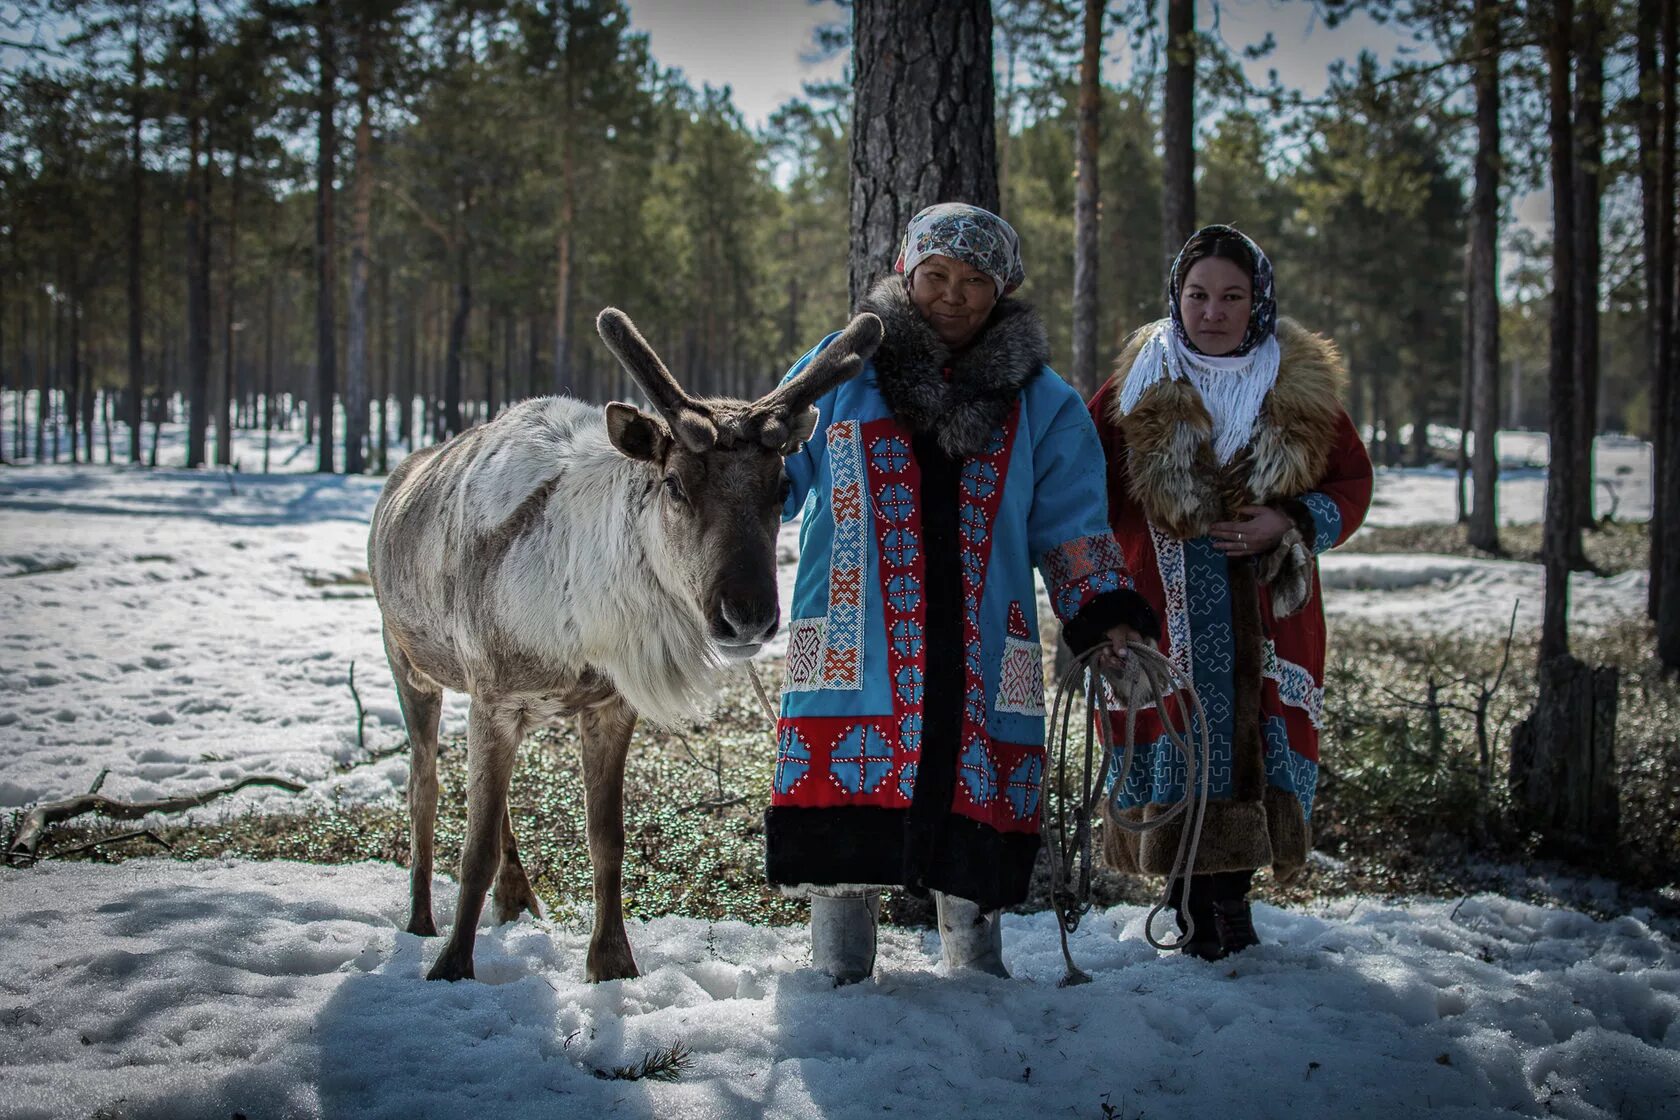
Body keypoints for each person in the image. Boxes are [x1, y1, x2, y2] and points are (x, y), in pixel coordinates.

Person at [766, 203, 1157, 983]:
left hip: (984, 644)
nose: (952, 294)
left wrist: (1105, 618)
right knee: (841, 821)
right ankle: (839, 977)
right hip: (852, 641)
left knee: (974, 808)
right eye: (936, 275)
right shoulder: (838, 369)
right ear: (907, 273)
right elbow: (770, 468)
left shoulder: (1044, 402)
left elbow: (1073, 523)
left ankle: (978, 983)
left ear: (1003, 287)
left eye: (975, 280)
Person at [1088, 224, 1373, 961]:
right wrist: (1100, 600)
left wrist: (1290, 518)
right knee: (1177, 751)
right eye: (1198, 295)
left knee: (1251, 749)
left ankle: (1231, 904)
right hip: (1160, 615)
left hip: (1270, 620)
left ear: (1259, 303)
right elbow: (1079, 494)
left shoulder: (1299, 391)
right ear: (1176, 300)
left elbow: (1352, 483)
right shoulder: (1132, 393)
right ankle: (1184, 902)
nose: (1212, 311)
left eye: (1231, 297)